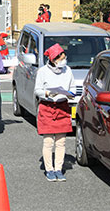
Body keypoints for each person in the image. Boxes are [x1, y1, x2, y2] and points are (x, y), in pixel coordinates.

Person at [34, 43, 74, 182]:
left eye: (64, 57)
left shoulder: (67, 70)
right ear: (53, 59)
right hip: (47, 107)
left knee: (61, 142)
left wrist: (70, 94)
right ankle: (49, 170)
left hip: (62, 106)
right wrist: (47, 92)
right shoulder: (43, 71)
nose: (63, 60)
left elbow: (72, 88)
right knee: (48, 141)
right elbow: (37, 90)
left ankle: (58, 169)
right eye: (61, 58)